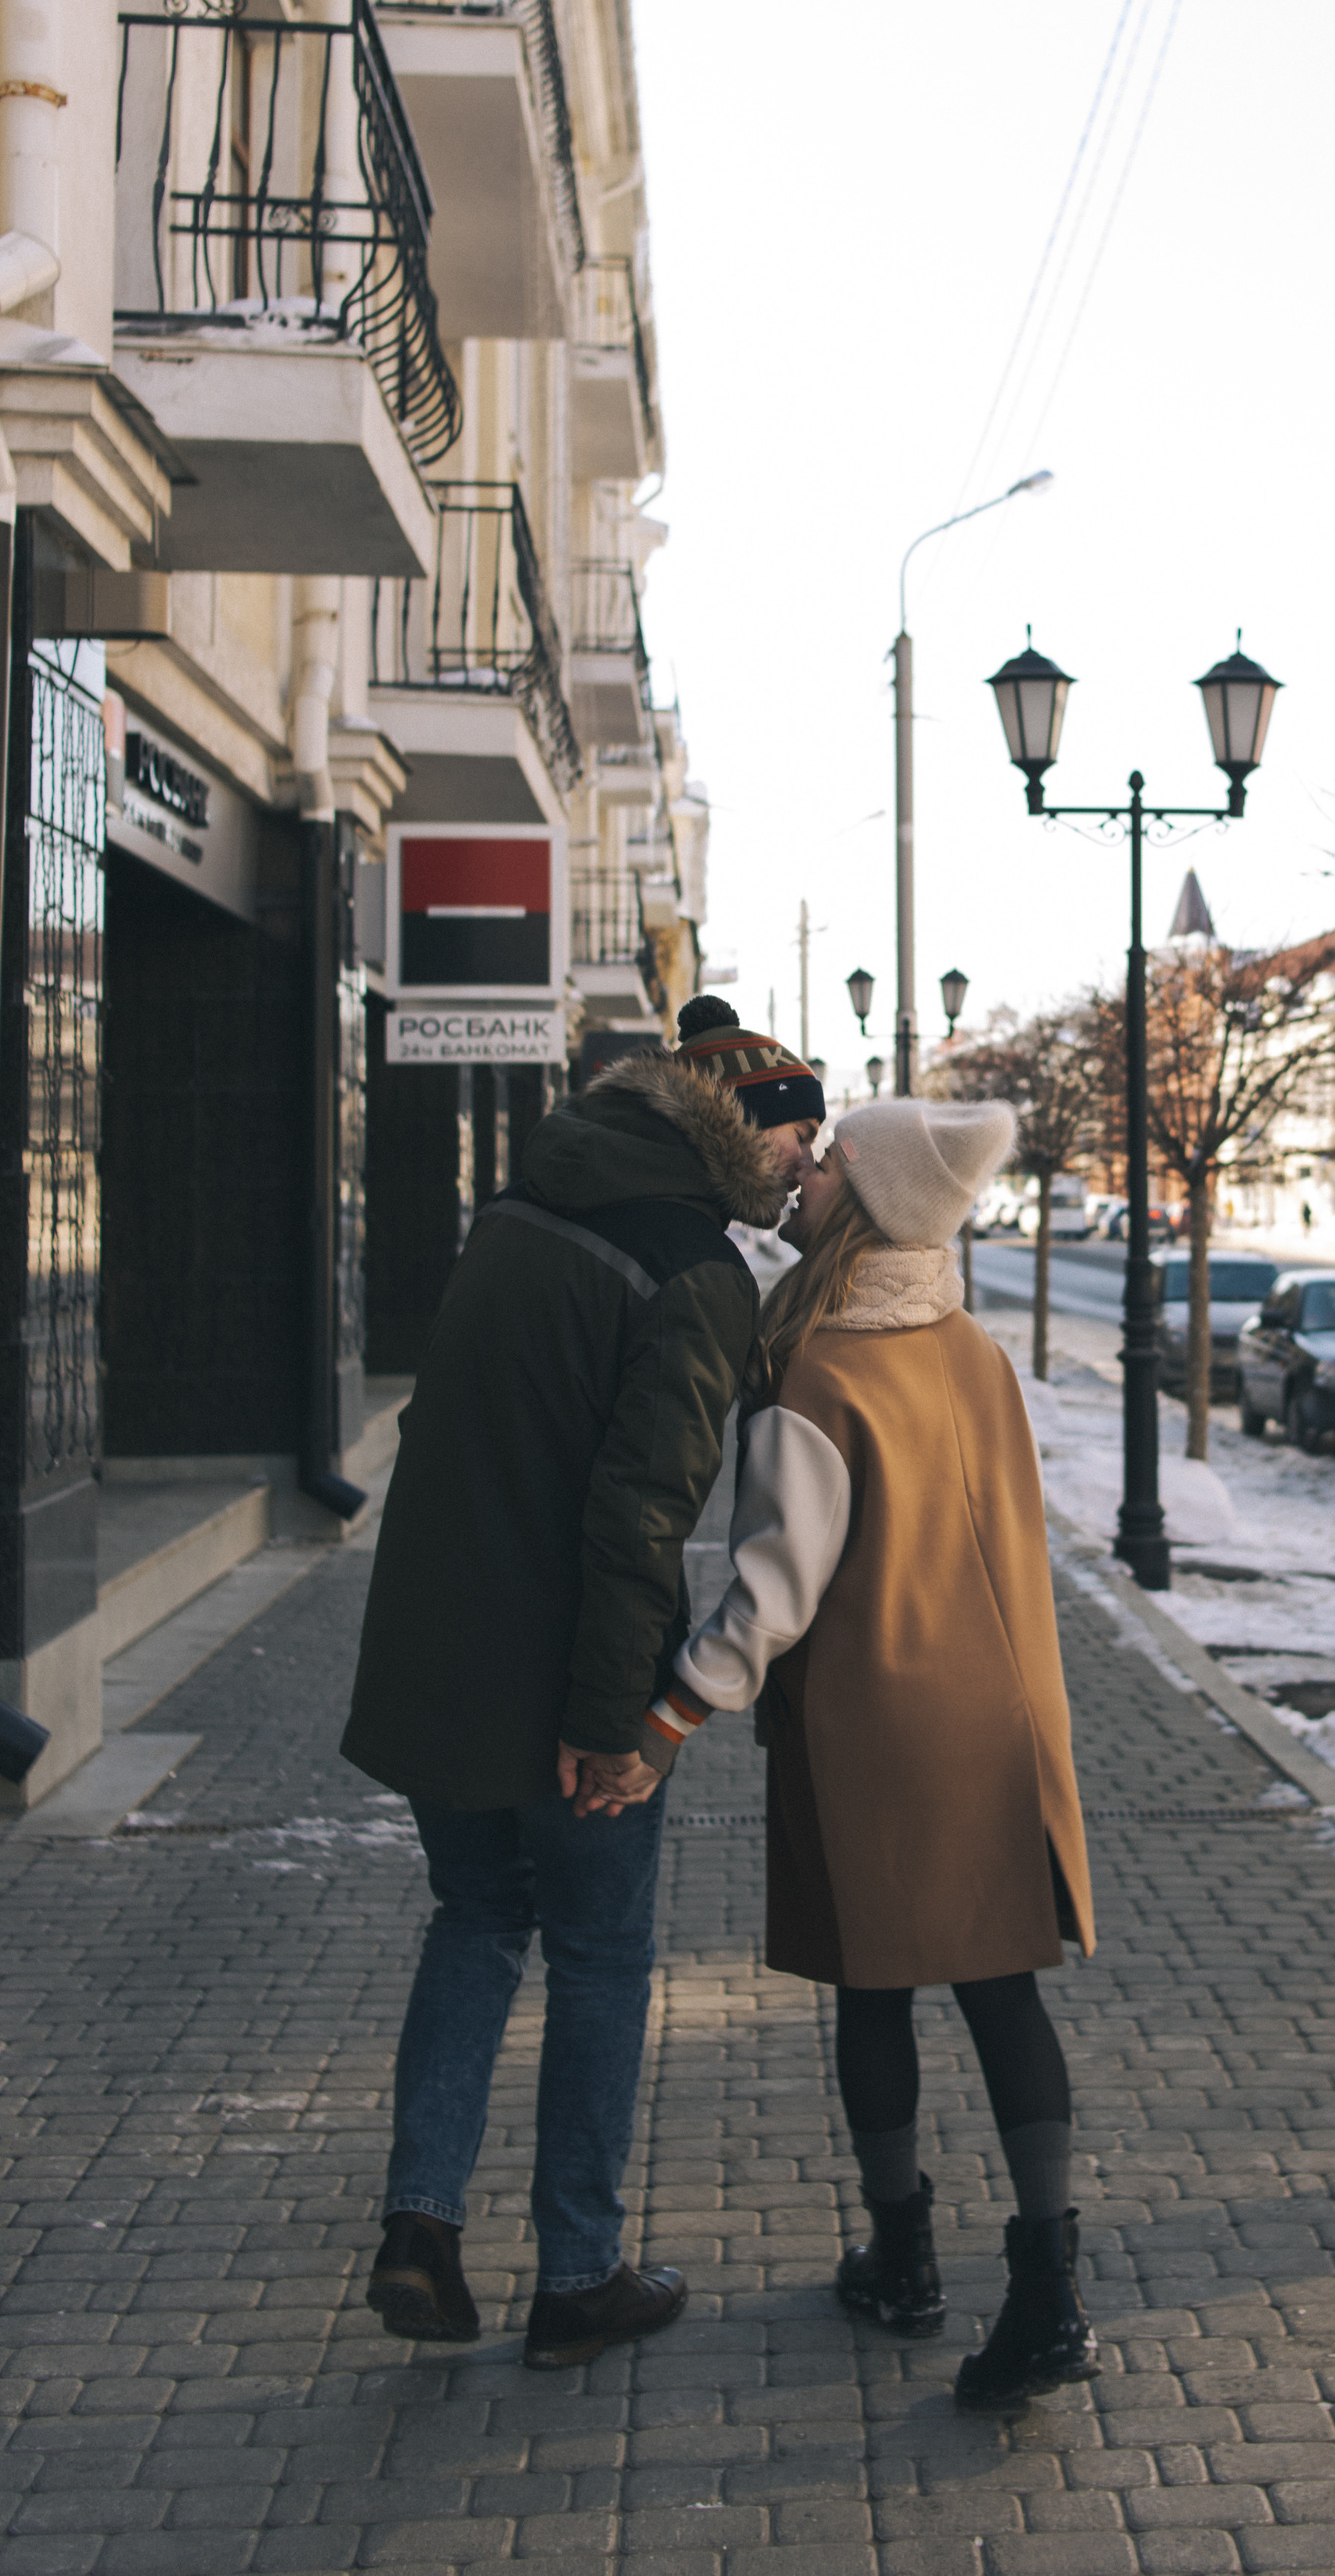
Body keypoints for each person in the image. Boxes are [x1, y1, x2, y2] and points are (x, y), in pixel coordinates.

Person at [341, 1002, 825, 2369]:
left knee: (476, 1919)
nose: (807, 1163)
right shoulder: (696, 1273)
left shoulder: (517, 1209)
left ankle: (421, 2227)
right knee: (601, 1961)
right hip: (568, 1682)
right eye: (795, 1135)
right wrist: (617, 1727)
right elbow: (641, 1518)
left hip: (437, 1653)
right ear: (736, 1131)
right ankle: (578, 2276)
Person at [646, 1100, 1100, 2409]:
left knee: (875, 1988)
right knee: (1004, 1993)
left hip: (877, 1725)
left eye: (835, 1157)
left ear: (874, 1197)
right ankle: (1049, 2294)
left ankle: (904, 2261)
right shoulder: (973, 1351)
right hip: (1003, 1715)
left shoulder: (820, 1368)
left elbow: (773, 1593)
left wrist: (673, 1713)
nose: (811, 1169)